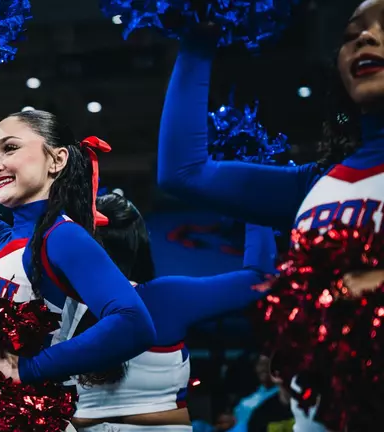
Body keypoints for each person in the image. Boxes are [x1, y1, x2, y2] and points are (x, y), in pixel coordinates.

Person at [156, 1, 384, 428]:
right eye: (351, 34)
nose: (365, 38)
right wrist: (199, 36)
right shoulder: (316, 182)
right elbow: (183, 172)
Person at [0, 81, 156, 397]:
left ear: (57, 160)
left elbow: (134, 323)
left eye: (10, 148)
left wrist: (30, 369)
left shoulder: (62, 237)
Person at [61, 193, 276, 431]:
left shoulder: (57, 307)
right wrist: (255, 201)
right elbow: (259, 278)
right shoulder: (166, 298)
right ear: (139, 244)